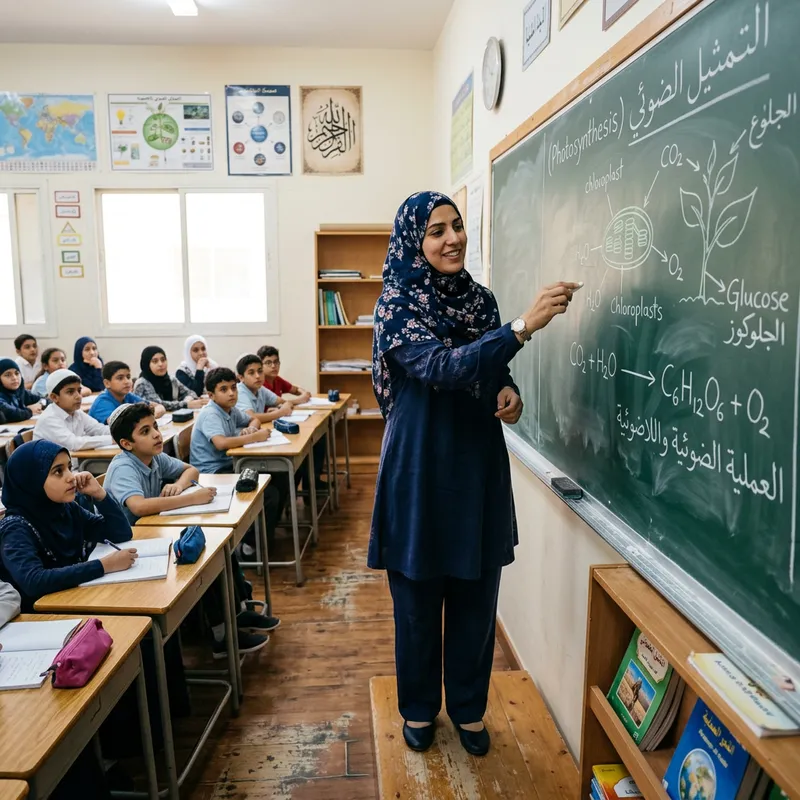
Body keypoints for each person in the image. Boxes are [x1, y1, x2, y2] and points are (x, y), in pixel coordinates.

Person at [369, 191, 578, 756]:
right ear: (415, 242)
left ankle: (467, 707)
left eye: (456, 226)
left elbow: (488, 372)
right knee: (416, 600)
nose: (452, 238)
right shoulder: (397, 304)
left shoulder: (479, 301)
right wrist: (523, 324)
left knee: (476, 596)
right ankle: (417, 708)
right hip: (418, 467)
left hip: (476, 465)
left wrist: (510, 393)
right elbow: (440, 367)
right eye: (436, 231)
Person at [104, 403, 278, 656]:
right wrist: (190, 498)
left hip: (152, 536)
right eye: (145, 431)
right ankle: (221, 636)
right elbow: (139, 506)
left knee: (221, 549)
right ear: (126, 443)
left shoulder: (153, 457)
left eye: (154, 426)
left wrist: (180, 484)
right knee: (204, 562)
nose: (155, 434)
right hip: (129, 551)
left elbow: (190, 469)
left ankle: (238, 613)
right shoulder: (123, 467)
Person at [0, 440, 136, 612]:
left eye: (69, 468)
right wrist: (103, 565)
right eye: (58, 471)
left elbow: (120, 533)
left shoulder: (65, 509)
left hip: (74, 597)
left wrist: (100, 495)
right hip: (41, 616)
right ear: (32, 479)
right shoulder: (15, 528)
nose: (71, 477)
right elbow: (34, 581)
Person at [190, 367, 285, 549]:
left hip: (229, 465)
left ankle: (264, 535)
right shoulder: (211, 413)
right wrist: (253, 437)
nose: (232, 393)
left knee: (279, 477)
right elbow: (221, 443)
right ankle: (250, 545)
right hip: (213, 473)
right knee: (269, 493)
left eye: (233, 387)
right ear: (211, 395)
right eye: (224, 389)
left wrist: (252, 428)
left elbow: (252, 419)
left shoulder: (230, 409)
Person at [33, 369, 114, 451]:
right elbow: (73, 444)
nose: (78, 396)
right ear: (54, 397)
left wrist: (121, 434)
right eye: (70, 392)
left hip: (74, 461)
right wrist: (112, 439)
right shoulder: (49, 418)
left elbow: (99, 429)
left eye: (79, 390)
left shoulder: (77, 412)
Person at [134, 345, 208, 412]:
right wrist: (186, 404)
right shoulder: (142, 383)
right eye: (155, 361)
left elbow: (191, 393)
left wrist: (188, 400)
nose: (161, 364)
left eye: (163, 360)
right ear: (146, 364)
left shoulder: (171, 380)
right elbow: (159, 404)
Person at [89, 361, 165, 425]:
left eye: (128, 377)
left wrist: (152, 414)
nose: (127, 382)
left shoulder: (128, 396)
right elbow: (120, 424)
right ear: (107, 383)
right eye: (120, 378)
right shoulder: (102, 402)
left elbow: (159, 407)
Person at [235, 354, 293, 424]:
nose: (257, 376)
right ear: (241, 378)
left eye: (260, 371)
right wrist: (280, 412)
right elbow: (251, 417)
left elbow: (285, 402)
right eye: (251, 373)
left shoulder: (260, 389)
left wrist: (280, 408)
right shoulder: (239, 391)